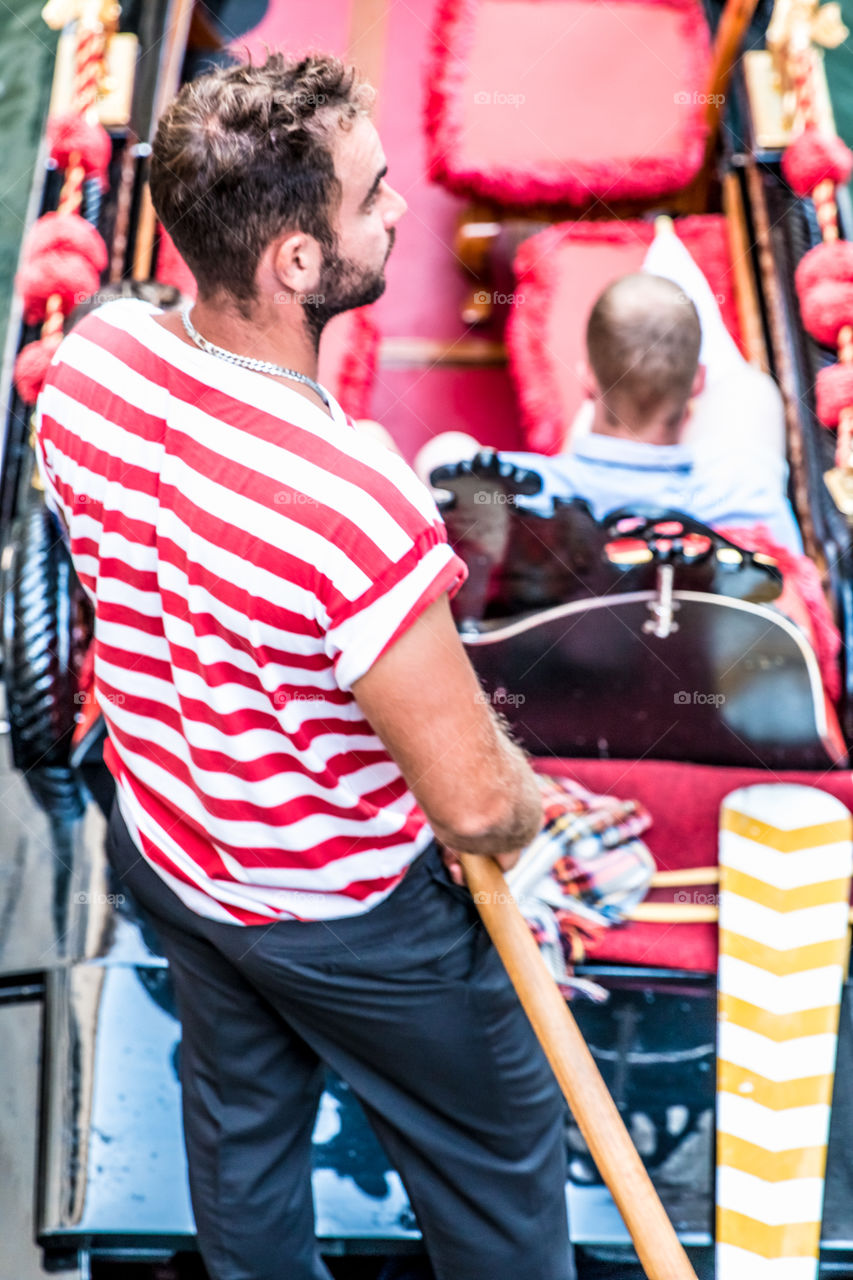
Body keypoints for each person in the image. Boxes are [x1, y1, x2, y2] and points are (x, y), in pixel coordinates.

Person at [33, 54, 573, 1280]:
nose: (398, 211)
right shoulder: (354, 496)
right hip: (354, 922)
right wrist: (532, 799)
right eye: (376, 196)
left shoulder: (91, 362)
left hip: (175, 853)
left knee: (240, 1147)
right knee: (500, 1157)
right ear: (291, 261)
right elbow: (479, 805)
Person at [418, 269, 803, 555]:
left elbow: (445, 472)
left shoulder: (521, 496)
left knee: (444, 451)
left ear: (587, 378)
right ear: (698, 383)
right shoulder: (747, 497)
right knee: (751, 390)